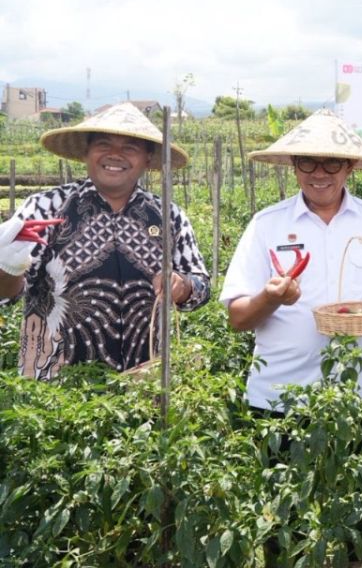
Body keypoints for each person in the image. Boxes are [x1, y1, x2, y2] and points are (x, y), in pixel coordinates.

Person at [0, 103, 210, 379]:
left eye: (130, 147)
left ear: (148, 158)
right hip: (53, 391)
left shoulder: (167, 215)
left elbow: (202, 286)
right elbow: (8, 293)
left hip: (145, 387)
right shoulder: (47, 208)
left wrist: (183, 286)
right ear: (85, 152)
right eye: (103, 144)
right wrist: (8, 267)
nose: (115, 155)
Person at [221, 110, 362, 411]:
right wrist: (271, 299)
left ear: (349, 167)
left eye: (332, 163)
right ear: (294, 167)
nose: (319, 173)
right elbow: (238, 318)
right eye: (307, 162)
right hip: (280, 399)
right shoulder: (266, 224)